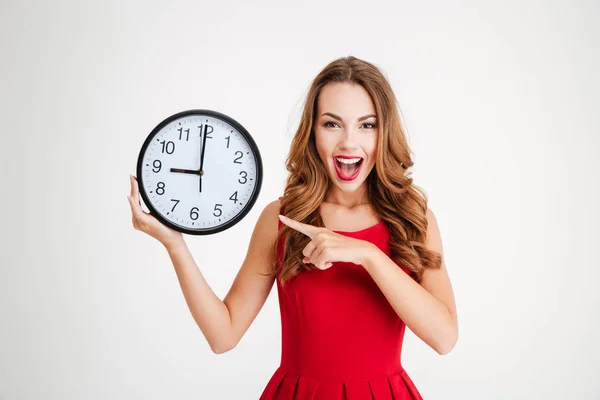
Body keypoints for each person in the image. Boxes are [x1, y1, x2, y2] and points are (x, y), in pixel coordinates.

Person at [127, 55, 458, 399]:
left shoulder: (414, 221)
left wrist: (369, 255)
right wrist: (175, 244)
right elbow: (222, 336)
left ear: (384, 131)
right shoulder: (282, 219)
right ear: (313, 131)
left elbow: (445, 338)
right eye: (332, 124)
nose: (348, 142)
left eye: (366, 125)